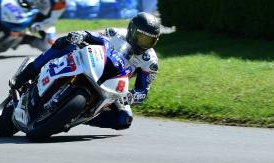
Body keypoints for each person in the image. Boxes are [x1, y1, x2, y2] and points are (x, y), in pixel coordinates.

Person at [9, 12, 161, 130]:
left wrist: (132, 96)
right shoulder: (115, 33)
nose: (144, 44)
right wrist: (81, 34)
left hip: (113, 85)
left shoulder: (150, 61)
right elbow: (92, 36)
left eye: (149, 40)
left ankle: (75, 116)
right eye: (142, 38)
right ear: (132, 30)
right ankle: (24, 75)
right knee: (64, 44)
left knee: (124, 119)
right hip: (95, 63)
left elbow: (143, 90)